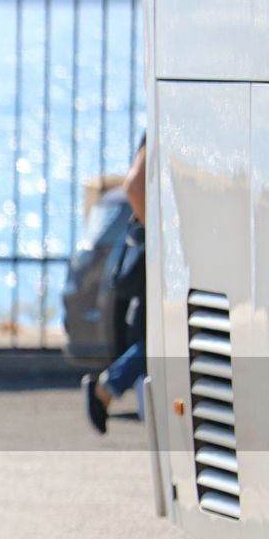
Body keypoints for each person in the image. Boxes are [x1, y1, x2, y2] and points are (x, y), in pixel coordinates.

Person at [83, 136, 146, 434]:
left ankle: (107, 388)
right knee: (158, 342)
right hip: (161, 262)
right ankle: (106, 388)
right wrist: (159, 236)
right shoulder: (164, 123)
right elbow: (135, 186)